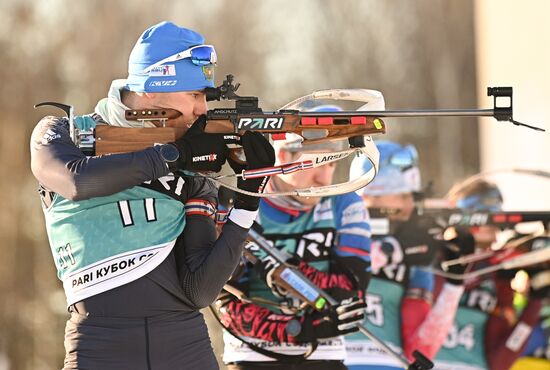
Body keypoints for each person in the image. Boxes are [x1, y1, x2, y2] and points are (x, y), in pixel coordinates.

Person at [30, 21, 274, 370]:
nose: (203, 108)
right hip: (98, 347)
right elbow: (76, 182)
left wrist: (249, 196)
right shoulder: (62, 132)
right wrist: (170, 157)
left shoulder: (193, 159)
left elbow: (199, 290)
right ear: (153, 89)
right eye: (194, 95)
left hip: (185, 346)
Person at [215, 106, 371, 370]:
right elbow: (222, 300)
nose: (326, 177)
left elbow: (351, 289)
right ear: (283, 157)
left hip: (324, 355)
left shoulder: (345, 202)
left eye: (332, 163)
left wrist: (291, 270)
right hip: (252, 355)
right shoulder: (242, 200)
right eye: (317, 164)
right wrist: (298, 329)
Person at [345, 140, 471, 370]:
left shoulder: (412, 245)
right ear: (368, 195)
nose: (409, 205)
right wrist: (391, 250)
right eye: (401, 195)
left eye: (411, 196)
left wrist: (454, 284)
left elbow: (420, 350)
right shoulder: (337, 226)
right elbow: (334, 281)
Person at [433, 179, 549, 370]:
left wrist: (535, 303)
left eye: (497, 221)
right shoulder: (433, 258)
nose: (496, 231)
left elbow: (500, 362)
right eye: (488, 220)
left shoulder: (497, 274)